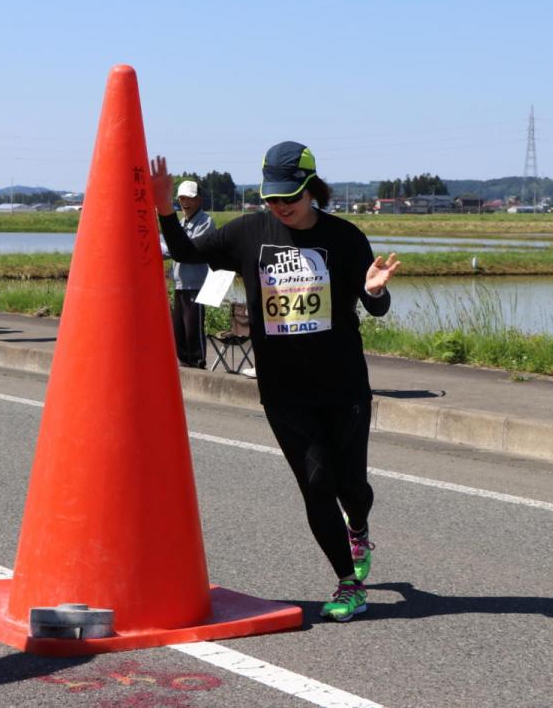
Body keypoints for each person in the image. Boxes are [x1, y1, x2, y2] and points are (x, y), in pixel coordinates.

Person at [152, 141, 399, 622]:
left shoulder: (345, 238)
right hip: (284, 389)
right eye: (272, 198)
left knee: (352, 485)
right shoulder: (250, 232)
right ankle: (349, 582)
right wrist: (165, 209)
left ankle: (360, 524)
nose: (280, 207)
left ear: (313, 189)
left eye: (290, 197)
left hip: (343, 383)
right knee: (315, 482)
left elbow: (374, 305)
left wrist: (374, 290)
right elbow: (184, 252)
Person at [169, 179, 215, 367]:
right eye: (181, 198)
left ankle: (198, 362)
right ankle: (184, 363)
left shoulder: (206, 222)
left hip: (196, 284)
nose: (184, 202)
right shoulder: (180, 222)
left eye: (189, 198)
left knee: (192, 329)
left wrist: (173, 248)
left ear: (199, 200)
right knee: (178, 329)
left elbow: (191, 248)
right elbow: (174, 248)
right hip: (180, 283)